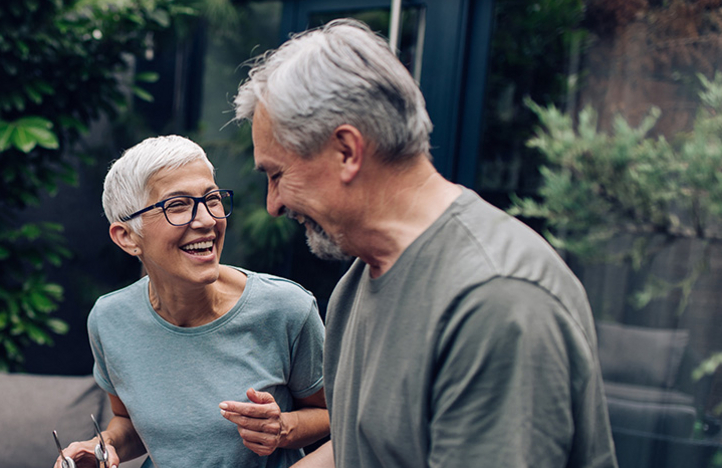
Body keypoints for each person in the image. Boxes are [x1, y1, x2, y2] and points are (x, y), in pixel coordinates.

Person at [231, 18, 618, 468]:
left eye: (277, 175)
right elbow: (365, 449)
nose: (273, 204)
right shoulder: (357, 284)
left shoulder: (496, 299)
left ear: (347, 152)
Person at [55, 135, 330, 468]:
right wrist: (105, 446)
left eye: (212, 199)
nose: (207, 220)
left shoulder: (286, 308)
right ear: (127, 237)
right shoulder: (109, 319)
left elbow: (337, 413)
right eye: (177, 205)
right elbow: (131, 423)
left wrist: (285, 428)